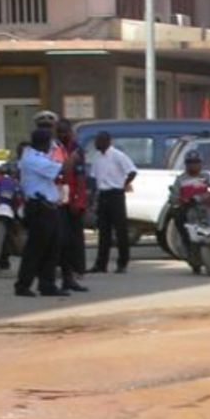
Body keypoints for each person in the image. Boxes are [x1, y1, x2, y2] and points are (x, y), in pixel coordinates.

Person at [16, 127, 67, 297]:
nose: (50, 146)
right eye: (48, 143)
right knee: (35, 249)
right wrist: (72, 157)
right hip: (39, 207)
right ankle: (23, 285)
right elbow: (61, 169)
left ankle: (47, 284)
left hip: (49, 207)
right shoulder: (32, 159)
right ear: (42, 143)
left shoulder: (39, 156)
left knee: (52, 248)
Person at [89, 131, 137, 274]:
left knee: (120, 230)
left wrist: (123, 184)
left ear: (107, 141)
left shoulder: (117, 155)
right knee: (104, 232)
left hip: (116, 194)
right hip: (103, 194)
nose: (96, 144)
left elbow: (132, 171)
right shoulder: (97, 157)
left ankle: (122, 263)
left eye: (99, 141)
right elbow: (94, 177)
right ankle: (101, 264)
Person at [169, 149, 210, 274]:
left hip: (206, 207)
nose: (194, 165)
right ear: (186, 164)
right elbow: (174, 196)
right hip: (189, 208)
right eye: (190, 162)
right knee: (180, 221)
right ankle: (188, 249)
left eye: (196, 162)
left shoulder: (206, 176)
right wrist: (178, 200)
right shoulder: (181, 179)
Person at [53, 119, 88, 293]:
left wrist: (78, 200)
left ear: (71, 133)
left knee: (74, 238)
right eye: (59, 132)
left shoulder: (76, 150)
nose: (62, 135)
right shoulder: (53, 149)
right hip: (56, 200)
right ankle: (62, 272)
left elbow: (81, 178)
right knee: (60, 239)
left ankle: (76, 271)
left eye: (65, 131)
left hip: (72, 199)